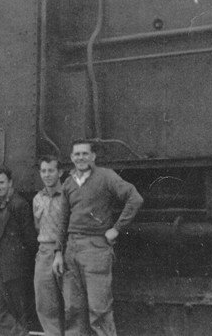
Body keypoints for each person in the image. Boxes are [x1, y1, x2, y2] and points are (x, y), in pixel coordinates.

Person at [53, 142, 143, 336]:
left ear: (93, 156)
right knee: (73, 310)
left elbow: (134, 198)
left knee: (99, 310)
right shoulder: (68, 182)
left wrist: (117, 229)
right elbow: (63, 220)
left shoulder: (106, 176)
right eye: (77, 154)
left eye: (85, 153)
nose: (81, 157)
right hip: (71, 249)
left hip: (96, 249)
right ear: (71, 157)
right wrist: (58, 252)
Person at [0, 166, 38, 336]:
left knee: (18, 312)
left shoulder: (19, 204)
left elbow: (29, 238)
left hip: (16, 268)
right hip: (1, 265)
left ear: (10, 182)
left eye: (1, 182)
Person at [33, 155, 66, 336]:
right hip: (44, 253)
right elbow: (37, 226)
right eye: (43, 171)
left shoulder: (67, 196)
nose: (47, 175)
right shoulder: (37, 198)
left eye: (51, 171)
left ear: (59, 172)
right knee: (45, 302)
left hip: (65, 251)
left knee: (70, 302)